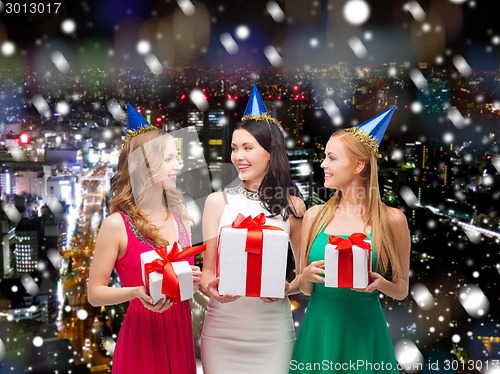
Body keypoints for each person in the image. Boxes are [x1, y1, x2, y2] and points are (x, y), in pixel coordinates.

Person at [289, 106, 411, 374]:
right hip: (320, 329)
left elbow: (401, 289)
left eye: (331, 158)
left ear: (358, 165)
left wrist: (382, 284)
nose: (323, 164)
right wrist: (306, 276)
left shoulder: (392, 221)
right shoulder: (313, 216)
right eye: (324, 157)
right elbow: (306, 290)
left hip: (365, 331)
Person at [200, 84, 306, 374]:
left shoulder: (293, 206)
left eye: (248, 148)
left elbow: (303, 278)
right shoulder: (216, 203)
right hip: (222, 330)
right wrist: (210, 286)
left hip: (273, 331)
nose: (238, 157)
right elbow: (208, 273)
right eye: (235, 148)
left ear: (271, 152)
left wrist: (287, 288)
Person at [87, 104, 201, 374]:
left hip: (180, 329)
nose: (179, 165)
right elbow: (94, 294)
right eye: (170, 159)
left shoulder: (181, 216)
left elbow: (183, 287)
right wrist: (136, 293)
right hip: (142, 335)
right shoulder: (116, 224)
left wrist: (191, 281)